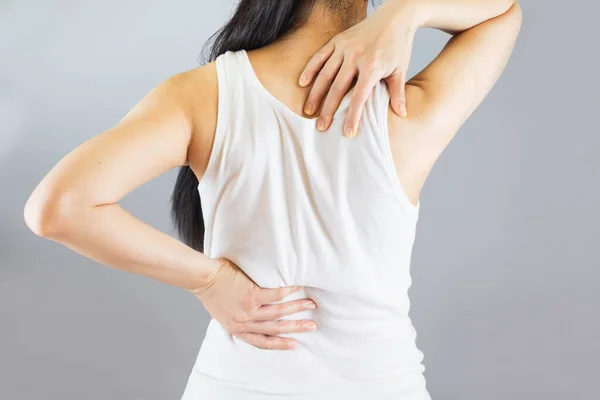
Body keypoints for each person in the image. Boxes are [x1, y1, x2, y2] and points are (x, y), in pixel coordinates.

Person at [23, 0, 522, 398]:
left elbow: (60, 207)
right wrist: (405, 13)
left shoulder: (202, 95)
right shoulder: (401, 106)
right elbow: (503, 10)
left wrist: (211, 280)